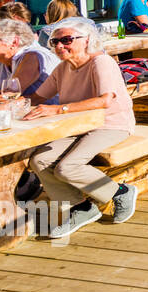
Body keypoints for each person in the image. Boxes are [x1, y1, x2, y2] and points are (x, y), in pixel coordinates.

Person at [25, 17, 138, 238]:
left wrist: (58, 110)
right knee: (39, 160)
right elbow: (37, 97)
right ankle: (81, 207)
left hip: (111, 124)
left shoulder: (101, 62)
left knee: (66, 167)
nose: (59, 46)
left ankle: (120, 192)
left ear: (87, 40)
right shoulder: (63, 67)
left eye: (66, 40)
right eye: (54, 42)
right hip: (76, 126)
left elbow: (105, 101)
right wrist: (11, 101)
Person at [0, 18, 59, 99]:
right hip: (20, 113)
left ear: (14, 42)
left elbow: (10, 95)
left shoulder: (33, 56)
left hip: (54, 115)